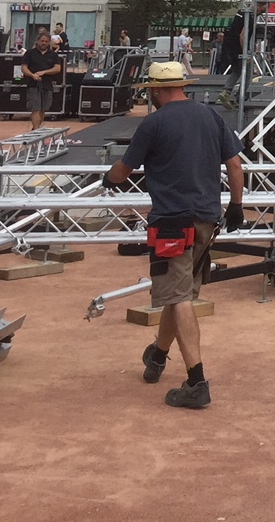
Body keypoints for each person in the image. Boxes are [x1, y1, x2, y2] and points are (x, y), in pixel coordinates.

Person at [104, 61, 244, 410]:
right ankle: (157, 356)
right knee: (177, 290)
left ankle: (196, 381)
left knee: (178, 296)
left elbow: (124, 171)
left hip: (171, 223)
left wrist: (110, 179)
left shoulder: (153, 123)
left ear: (155, 90)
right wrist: (236, 205)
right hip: (207, 219)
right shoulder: (211, 117)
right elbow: (236, 164)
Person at [20, 30, 63, 131]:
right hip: (33, 85)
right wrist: (32, 75)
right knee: (35, 108)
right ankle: (36, 130)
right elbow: (24, 68)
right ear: (38, 41)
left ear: (49, 42)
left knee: (43, 109)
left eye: (46, 41)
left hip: (47, 85)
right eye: (42, 41)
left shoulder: (53, 55)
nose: (44, 43)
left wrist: (44, 72)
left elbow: (57, 68)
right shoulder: (29, 53)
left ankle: (37, 128)